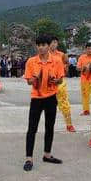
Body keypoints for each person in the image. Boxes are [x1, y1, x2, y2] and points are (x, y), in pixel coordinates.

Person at [22, 35, 64, 172]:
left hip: (51, 97)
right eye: (38, 45)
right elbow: (28, 81)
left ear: (49, 45)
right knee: (32, 128)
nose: (41, 47)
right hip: (36, 98)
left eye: (43, 45)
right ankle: (29, 158)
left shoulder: (57, 61)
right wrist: (35, 79)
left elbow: (61, 80)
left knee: (49, 127)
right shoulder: (31, 62)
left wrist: (55, 81)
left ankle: (47, 154)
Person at [49, 36, 75, 132]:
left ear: (57, 44)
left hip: (60, 82)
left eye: (55, 42)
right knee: (49, 105)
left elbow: (66, 64)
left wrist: (65, 67)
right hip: (49, 82)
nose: (53, 44)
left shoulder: (62, 55)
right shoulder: (44, 55)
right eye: (51, 42)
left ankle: (69, 124)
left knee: (64, 103)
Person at [76, 43, 91, 116]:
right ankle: (86, 111)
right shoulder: (81, 57)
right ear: (85, 49)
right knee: (85, 96)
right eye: (88, 49)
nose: (90, 50)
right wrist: (84, 68)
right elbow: (77, 68)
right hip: (84, 80)